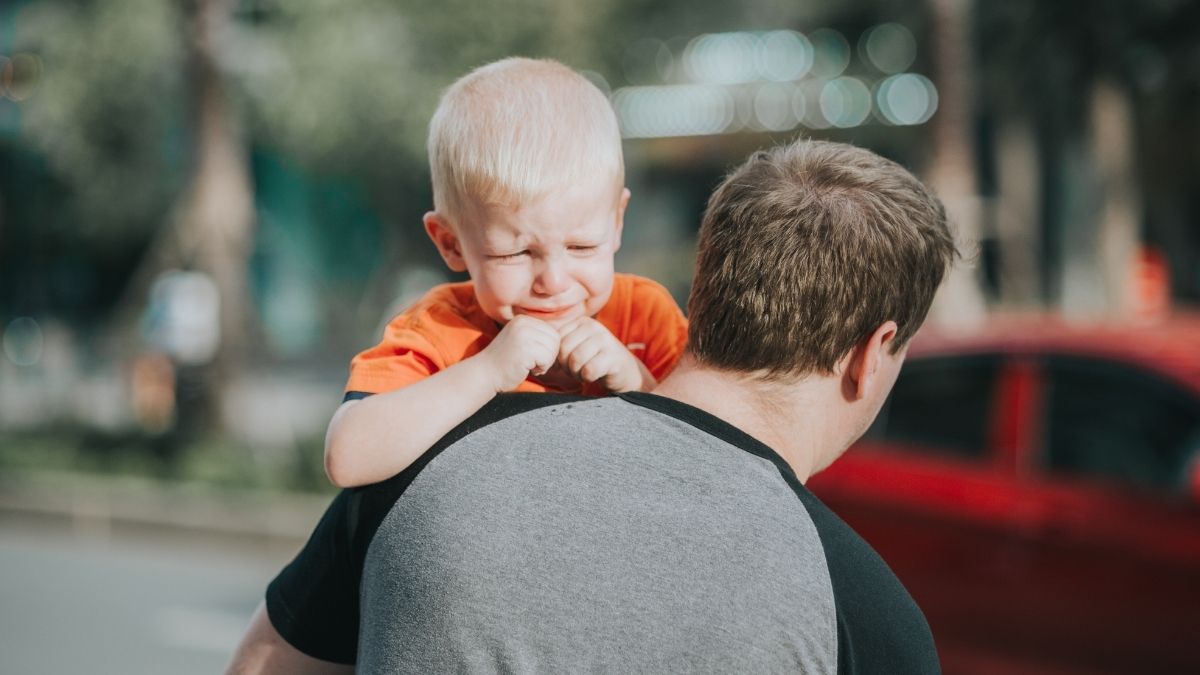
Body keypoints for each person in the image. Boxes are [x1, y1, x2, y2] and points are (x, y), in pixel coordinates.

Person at [227, 138, 957, 674]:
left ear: (705, 286)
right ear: (872, 351)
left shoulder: (424, 467)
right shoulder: (868, 617)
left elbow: (260, 664)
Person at [323, 57, 689, 488]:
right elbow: (348, 459)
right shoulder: (439, 330)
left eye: (581, 246)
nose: (553, 282)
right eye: (514, 253)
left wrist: (637, 381)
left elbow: (713, 458)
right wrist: (485, 371)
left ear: (617, 222)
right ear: (450, 243)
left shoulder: (645, 316)